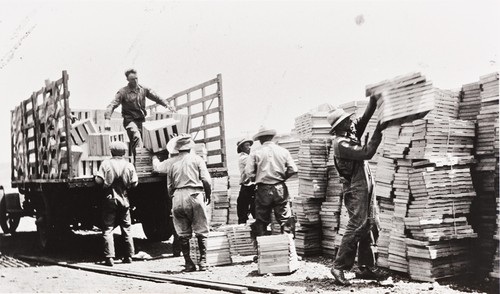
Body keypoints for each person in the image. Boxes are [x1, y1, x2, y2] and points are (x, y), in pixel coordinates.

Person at [327, 94, 386, 285]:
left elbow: (365, 117)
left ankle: (365, 266)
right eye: (347, 120)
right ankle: (339, 267)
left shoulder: (349, 134)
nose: (351, 121)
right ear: (339, 127)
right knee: (358, 224)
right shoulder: (341, 144)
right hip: (355, 186)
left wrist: (374, 99)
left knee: (370, 223)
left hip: (365, 184)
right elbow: (367, 152)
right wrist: (380, 126)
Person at [152, 134, 211, 272]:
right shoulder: (197, 159)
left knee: (183, 232)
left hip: (177, 196)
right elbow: (206, 180)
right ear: (191, 147)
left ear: (177, 149)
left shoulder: (171, 162)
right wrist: (208, 194)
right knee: (201, 229)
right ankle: (203, 262)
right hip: (195, 194)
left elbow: (168, 184)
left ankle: (189, 263)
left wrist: (154, 157)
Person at [104, 68, 176, 156]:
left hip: (141, 120)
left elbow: (157, 97)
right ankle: (139, 160)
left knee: (146, 140)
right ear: (127, 80)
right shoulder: (122, 92)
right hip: (130, 120)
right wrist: (107, 121)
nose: (135, 81)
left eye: (136, 78)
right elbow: (112, 105)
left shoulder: (143, 89)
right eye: (132, 79)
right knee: (136, 136)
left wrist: (167, 105)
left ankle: (142, 162)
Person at [245, 126, 298, 238]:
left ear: (260, 139)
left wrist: (256, 178)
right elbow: (293, 169)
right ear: (272, 137)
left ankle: (263, 250)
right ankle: (290, 251)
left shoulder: (256, 153)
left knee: (262, 221)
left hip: (263, 188)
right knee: (285, 220)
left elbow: (249, 172)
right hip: (280, 187)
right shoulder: (283, 151)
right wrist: (283, 177)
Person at [94, 141, 139, 267]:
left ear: (111, 151)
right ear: (124, 152)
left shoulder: (106, 163)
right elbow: (135, 183)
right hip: (124, 198)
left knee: (108, 228)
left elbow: (99, 180)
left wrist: (96, 178)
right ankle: (129, 255)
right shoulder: (129, 165)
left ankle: (109, 257)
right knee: (127, 228)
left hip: (110, 198)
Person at [236, 138, 256, 224]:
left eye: (249, 145)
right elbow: (255, 163)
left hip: (251, 186)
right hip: (247, 186)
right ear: (242, 148)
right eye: (246, 146)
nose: (249, 147)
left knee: (254, 208)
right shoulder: (244, 158)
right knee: (243, 208)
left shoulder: (248, 157)